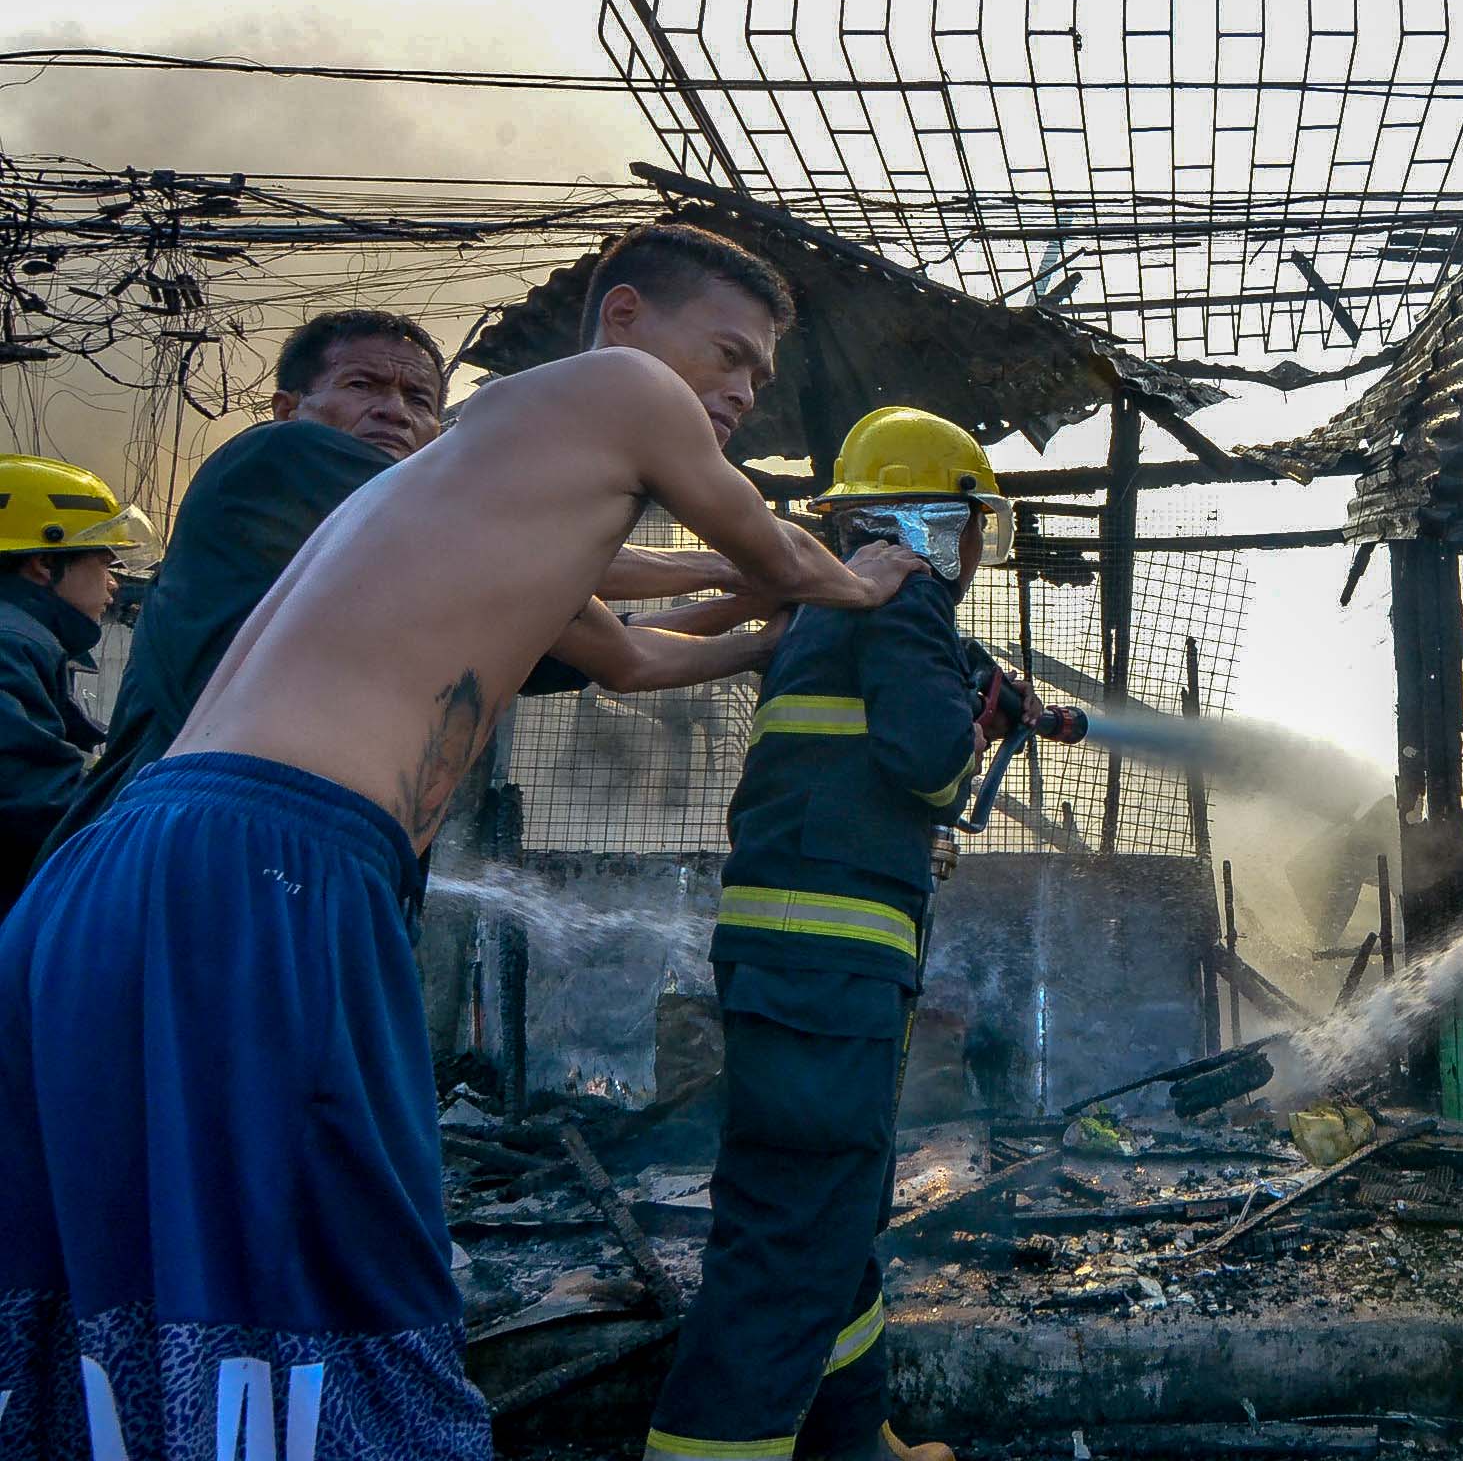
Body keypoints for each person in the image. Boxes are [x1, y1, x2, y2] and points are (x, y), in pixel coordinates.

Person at [0, 222, 927, 1461]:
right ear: (629, 317)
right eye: (731, 353)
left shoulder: (463, 490)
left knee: (144, 1260)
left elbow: (635, 650)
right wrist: (862, 581)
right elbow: (757, 543)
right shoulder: (619, 387)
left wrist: (766, 638)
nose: (744, 391)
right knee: (347, 1247)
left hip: (139, 862)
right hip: (272, 857)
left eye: (757, 376)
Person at [647, 405, 1027, 1461]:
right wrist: (969, 718)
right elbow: (930, 768)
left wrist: (969, 701)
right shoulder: (905, 606)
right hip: (831, 967)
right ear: (922, 521)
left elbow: (867, 746)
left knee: (826, 1215)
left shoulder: (825, 615)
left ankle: (852, 1446)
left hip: (797, 965)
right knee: (795, 1238)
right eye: (968, 523)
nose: (972, 547)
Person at [39, 307, 757, 863]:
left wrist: (759, 617)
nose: (395, 410)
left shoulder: (438, 578)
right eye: (363, 386)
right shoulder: (286, 457)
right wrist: (739, 567)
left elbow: (617, 649)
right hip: (188, 842)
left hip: (296, 858)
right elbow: (554, 563)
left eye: (419, 397)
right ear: (289, 407)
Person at [0, 456, 156, 907]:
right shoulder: (12, 644)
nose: (113, 585)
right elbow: (36, 802)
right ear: (45, 564)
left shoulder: (22, 638)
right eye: (104, 563)